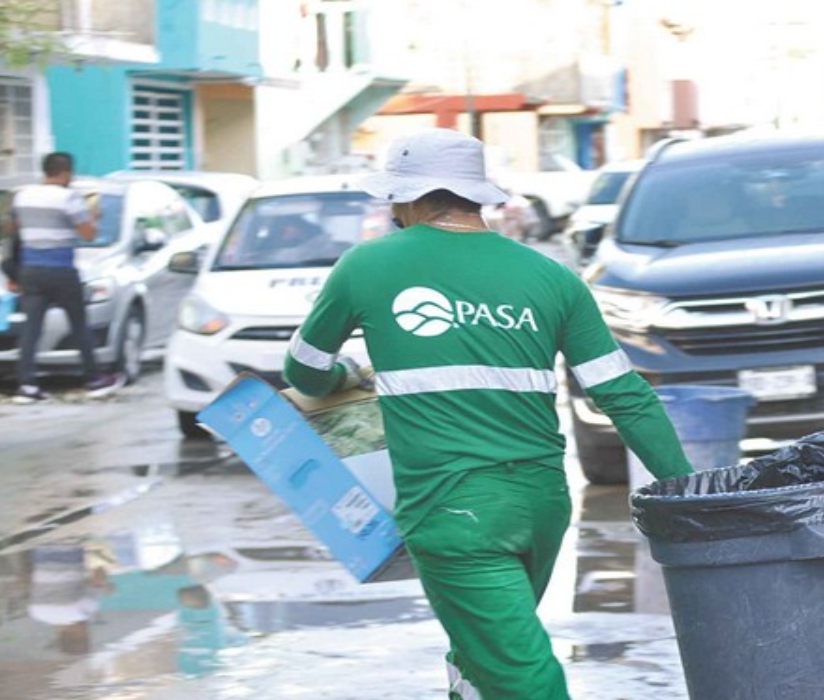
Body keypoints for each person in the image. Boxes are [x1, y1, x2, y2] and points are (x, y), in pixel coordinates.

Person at [283, 127, 694, 699]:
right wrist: (693, 492)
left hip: (454, 512)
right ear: (476, 196)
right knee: (482, 651)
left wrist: (344, 378)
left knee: (523, 675)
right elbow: (624, 394)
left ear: (410, 198)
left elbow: (301, 368)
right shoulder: (552, 278)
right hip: (541, 506)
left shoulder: (367, 266)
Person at [6, 152, 124, 402]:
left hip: (30, 270)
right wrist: (93, 217)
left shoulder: (22, 195)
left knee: (31, 329)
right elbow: (89, 234)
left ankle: (26, 385)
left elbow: (11, 229)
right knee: (79, 324)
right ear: (65, 172)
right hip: (61, 270)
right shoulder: (69, 197)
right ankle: (93, 379)